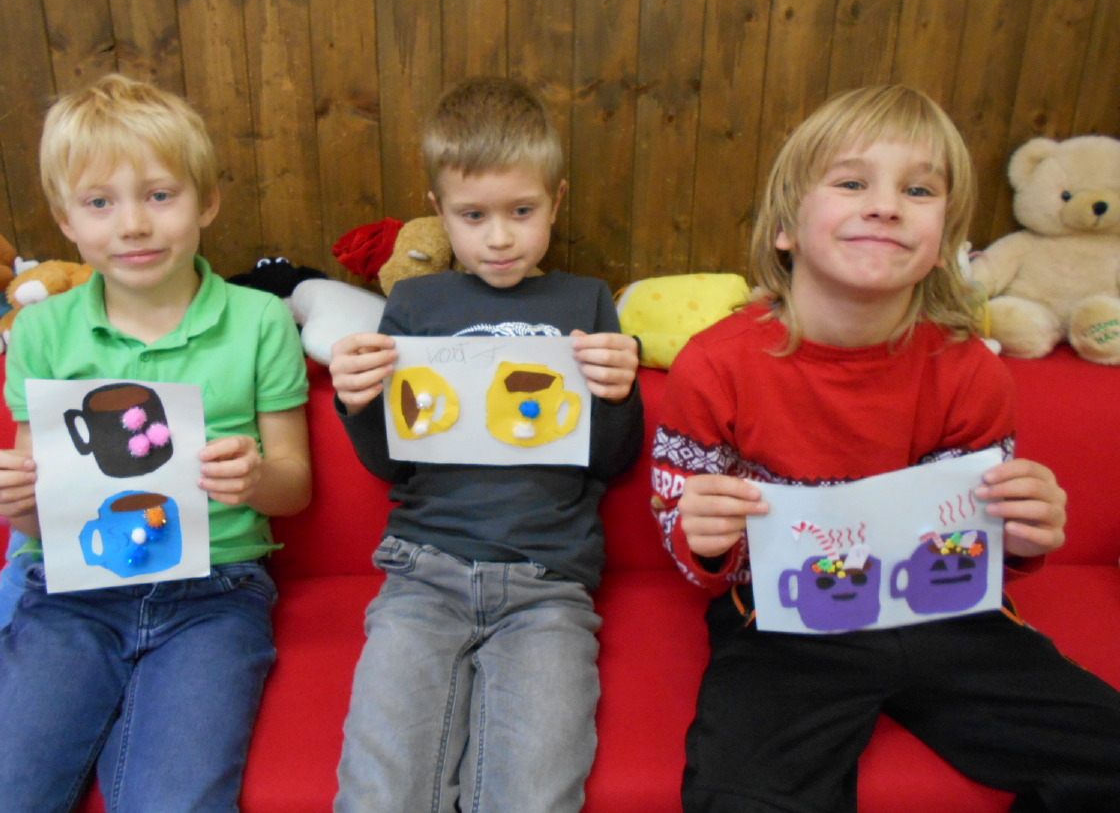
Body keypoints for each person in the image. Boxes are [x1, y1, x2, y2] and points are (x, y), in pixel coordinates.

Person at [651, 84, 1120, 812]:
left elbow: (974, 540)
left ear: (943, 243)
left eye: (918, 190)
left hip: (946, 614)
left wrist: (1021, 534)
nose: (886, 206)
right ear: (785, 227)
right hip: (784, 620)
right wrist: (704, 536)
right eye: (850, 183)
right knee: (738, 797)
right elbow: (682, 527)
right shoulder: (715, 364)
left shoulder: (971, 370)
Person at [0, 74, 312, 812]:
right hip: (68, 595)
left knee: (177, 800)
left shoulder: (260, 320)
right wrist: (12, 501)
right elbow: (36, 512)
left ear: (206, 201)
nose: (133, 225)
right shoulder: (42, 330)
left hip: (215, 593)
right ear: (66, 219)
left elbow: (295, 487)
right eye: (100, 203)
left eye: (159, 195)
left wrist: (253, 478)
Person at [330, 76, 644, 812]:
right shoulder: (413, 302)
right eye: (473, 216)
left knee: (532, 797)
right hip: (422, 573)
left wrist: (618, 392)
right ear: (439, 212)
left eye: (521, 211)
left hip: (548, 586)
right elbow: (389, 462)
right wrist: (358, 401)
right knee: (379, 794)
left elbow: (613, 460)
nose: (499, 238)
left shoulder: (587, 301)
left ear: (556, 202)